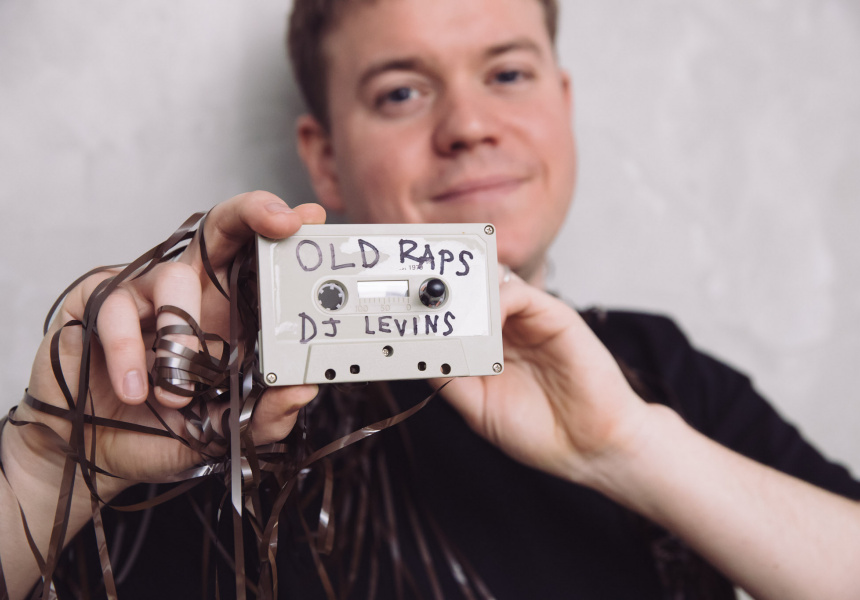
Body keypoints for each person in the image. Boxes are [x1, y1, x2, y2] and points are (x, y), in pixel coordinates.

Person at [1, 0, 859, 598]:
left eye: (509, 73)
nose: (470, 125)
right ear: (325, 157)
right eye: (401, 92)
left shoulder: (661, 369)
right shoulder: (201, 398)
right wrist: (47, 467)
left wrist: (628, 446)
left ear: (563, 106)